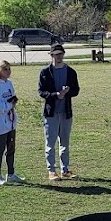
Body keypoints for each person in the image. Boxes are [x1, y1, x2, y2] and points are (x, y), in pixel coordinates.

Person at [38, 42, 81, 180]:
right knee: (50, 143)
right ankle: (51, 171)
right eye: (56, 55)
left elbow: (76, 90)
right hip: (51, 113)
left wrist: (67, 92)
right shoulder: (45, 72)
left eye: (61, 54)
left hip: (66, 112)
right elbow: (41, 91)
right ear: (51, 55)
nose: (59, 57)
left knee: (65, 143)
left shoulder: (71, 72)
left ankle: (65, 170)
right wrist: (56, 95)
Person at [0, 60, 22, 185]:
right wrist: (7, 105)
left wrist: (13, 102)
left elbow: (11, 97)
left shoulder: (9, 84)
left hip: (10, 121)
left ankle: (11, 173)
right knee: (1, 148)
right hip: (0, 122)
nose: (8, 72)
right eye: (5, 69)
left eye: (9, 69)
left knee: (11, 148)